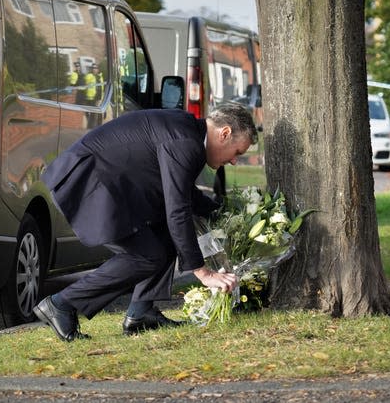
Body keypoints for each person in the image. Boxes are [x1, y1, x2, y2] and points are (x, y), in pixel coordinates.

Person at [33, 103, 258, 341]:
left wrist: (225, 215)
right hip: (87, 180)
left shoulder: (188, 134)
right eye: (238, 153)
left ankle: (141, 313)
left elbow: (185, 195)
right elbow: (177, 209)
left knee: (164, 240)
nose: (234, 161)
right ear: (225, 134)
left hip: (104, 182)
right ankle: (61, 304)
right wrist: (202, 272)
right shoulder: (185, 142)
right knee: (146, 256)